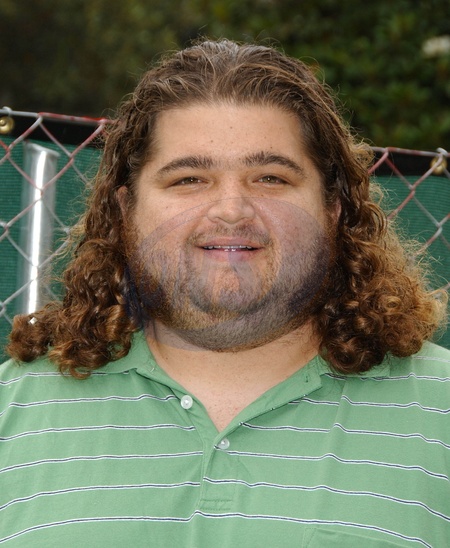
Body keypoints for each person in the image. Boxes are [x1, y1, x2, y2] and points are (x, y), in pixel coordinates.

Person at [1, 39, 449, 547]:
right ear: (125, 211)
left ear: (334, 208)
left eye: (270, 178)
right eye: (189, 179)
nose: (231, 210)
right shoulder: (12, 412)